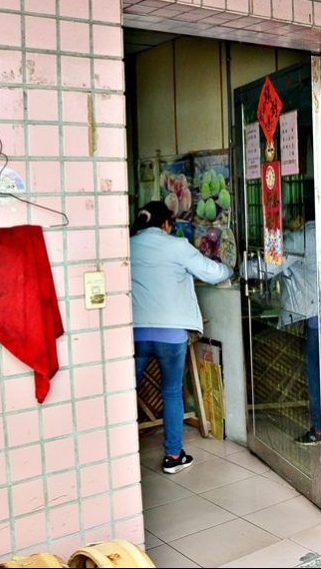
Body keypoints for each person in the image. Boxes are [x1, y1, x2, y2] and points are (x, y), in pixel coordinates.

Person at [130, 200, 233, 474]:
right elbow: (211, 273)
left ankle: (119, 456)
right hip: (171, 334)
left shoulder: (127, 245)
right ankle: (173, 456)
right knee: (172, 391)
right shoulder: (176, 245)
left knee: (127, 392)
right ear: (166, 224)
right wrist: (230, 269)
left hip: (135, 333)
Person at [247, 198, 321, 445]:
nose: (288, 225)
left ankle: (319, 429)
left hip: (313, 314)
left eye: (290, 218)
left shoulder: (302, 237)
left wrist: (239, 268)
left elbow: (268, 267)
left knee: (315, 373)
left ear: (300, 217)